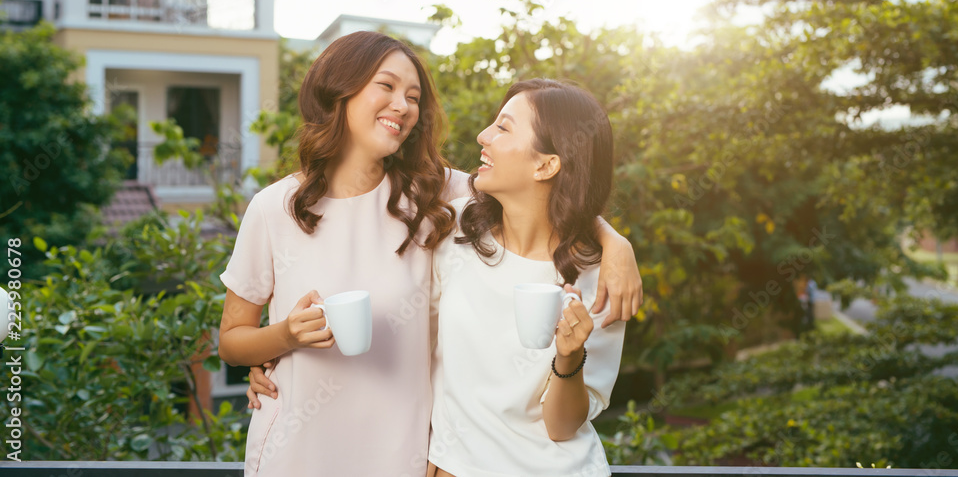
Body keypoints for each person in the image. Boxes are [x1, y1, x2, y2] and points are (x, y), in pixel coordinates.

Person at [219, 31, 641, 477]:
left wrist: (615, 243)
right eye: (386, 86)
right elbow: (232, 341)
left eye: (413, 96)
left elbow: (548, 194)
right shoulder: (274, 207)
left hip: (401, 452)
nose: (402, 105)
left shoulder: (434, 197)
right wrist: (284, 338)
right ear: (339, 90)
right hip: (299, 446)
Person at [427, 78, 624, 477]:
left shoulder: (602, 278)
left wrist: (569, 357)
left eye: (503, 127)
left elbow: (562, 427)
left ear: (546, 164)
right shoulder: (454, 229)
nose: (483, 136)